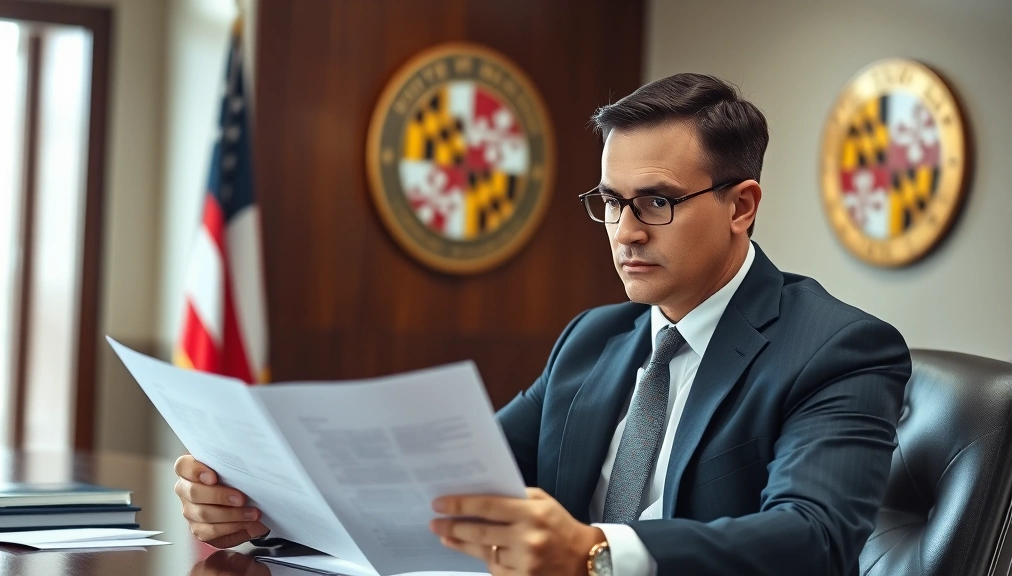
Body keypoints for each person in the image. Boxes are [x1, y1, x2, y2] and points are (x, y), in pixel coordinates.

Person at [173, 73, 911, 576]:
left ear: (741, 206)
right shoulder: (593, 341)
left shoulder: (838, 349)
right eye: (610, 202)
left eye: (655, 202)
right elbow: (444, 487)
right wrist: (264, 509)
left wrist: (597, 553)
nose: (624, 232)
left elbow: (815, 540)